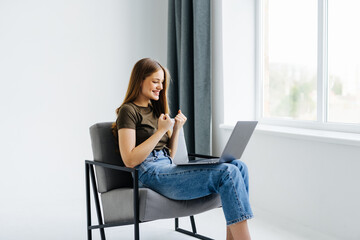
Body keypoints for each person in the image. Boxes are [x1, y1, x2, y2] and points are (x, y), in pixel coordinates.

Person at [113, 58, 253, 240]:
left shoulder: (156, 111)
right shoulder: (128, 111)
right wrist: (161, 130)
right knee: (228, 172)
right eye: (155, 81)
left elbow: (170, 154)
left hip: (167, 167)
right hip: (148, 172)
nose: (160, 87)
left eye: (162, 82)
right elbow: (129, 160)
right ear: (140, 80)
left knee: (239, 166)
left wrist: (176, 129)